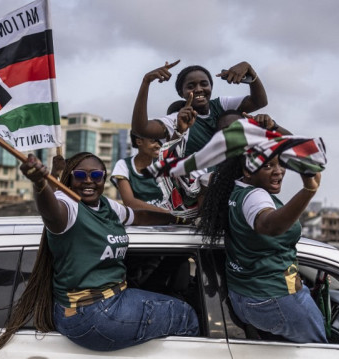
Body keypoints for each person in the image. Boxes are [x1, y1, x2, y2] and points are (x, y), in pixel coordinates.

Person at [0, 152, 198, 358]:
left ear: (104, 179)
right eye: (80, 175)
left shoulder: (106, 206)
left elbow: (140, 216)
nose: (88, 182)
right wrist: (40, 184)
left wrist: (176, 218)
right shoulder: (70, 206)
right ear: (70, 179)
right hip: (95, 312)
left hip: (106, 303)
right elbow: (52, 213)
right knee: (187, 315)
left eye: (96, 176)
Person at [196, 152, 327, 343]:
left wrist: (271, 130)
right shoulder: (255, 196)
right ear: (247, 171)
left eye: (280, 164)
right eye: (267, 166)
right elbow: (268, 225)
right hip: (274, 298)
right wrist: (309, 190)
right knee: (321, 351)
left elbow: (294, 145)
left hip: (245, 297)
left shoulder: (234, 188)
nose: (278, 172)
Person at [132, 60, 268, 156]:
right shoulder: (179, 119)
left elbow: (259, 101)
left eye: (204, 84)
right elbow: (141, 129)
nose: (198, 89)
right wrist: (146, 82)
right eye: (191, 86)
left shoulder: (221, 105)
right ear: (181, 93)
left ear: (211, 87)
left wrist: (251, 72)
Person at [111, 132, 170, 212]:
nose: (158, 145)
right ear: (139, 142)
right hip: (140, 222)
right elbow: (130, 202)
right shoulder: (123, 165)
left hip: (167, 222)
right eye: (153, 141)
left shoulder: (163, 164)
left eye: (159, 142)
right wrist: (166, 213)